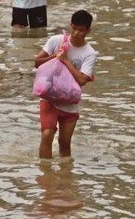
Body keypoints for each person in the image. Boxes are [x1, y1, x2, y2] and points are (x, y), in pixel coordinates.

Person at [34, 10, 98, 159]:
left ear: (88, 31)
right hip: (49, 97)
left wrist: (65, 60)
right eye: (74, 28)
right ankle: (45, 170)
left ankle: (65, 171)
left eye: (81, 30)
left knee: (64, 143)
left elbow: (82, 79)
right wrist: (54, 56)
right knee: (47, 134)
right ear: (70, 25)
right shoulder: (56, 40)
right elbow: (37, 62)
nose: (76, 33)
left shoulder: (89, 53)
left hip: (70, 102)